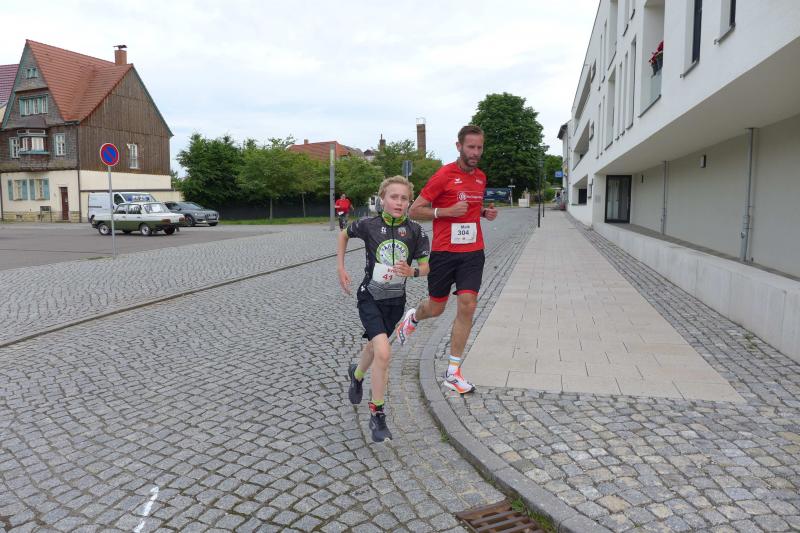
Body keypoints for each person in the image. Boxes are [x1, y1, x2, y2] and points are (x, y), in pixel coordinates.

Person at [395, 125, 497, 394]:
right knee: (436, 308)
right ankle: (414, 316)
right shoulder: (443, 176)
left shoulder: (481, 178)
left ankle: (453, 372)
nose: (475, 152)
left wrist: (483, 212)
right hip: (444, 252)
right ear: (459, 146)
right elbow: (414, 211)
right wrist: (445, 211)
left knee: (468, 304)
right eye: (471, 147)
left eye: (479, 147)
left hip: (473, 252)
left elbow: (471, 208)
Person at [337, 176, 430, 442]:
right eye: (393, 197)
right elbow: (343, 235)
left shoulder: (416, 231)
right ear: (382, 199)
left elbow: (426, 267)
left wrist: (413, 271)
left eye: (404, 198)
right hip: (370, 297)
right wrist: (340, 268)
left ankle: (356, 375)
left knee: (374, 347)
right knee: (384, 352)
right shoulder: (368, 225)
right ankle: (377, 413)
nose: (399, 202)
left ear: (409, 202)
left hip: (395, 302)